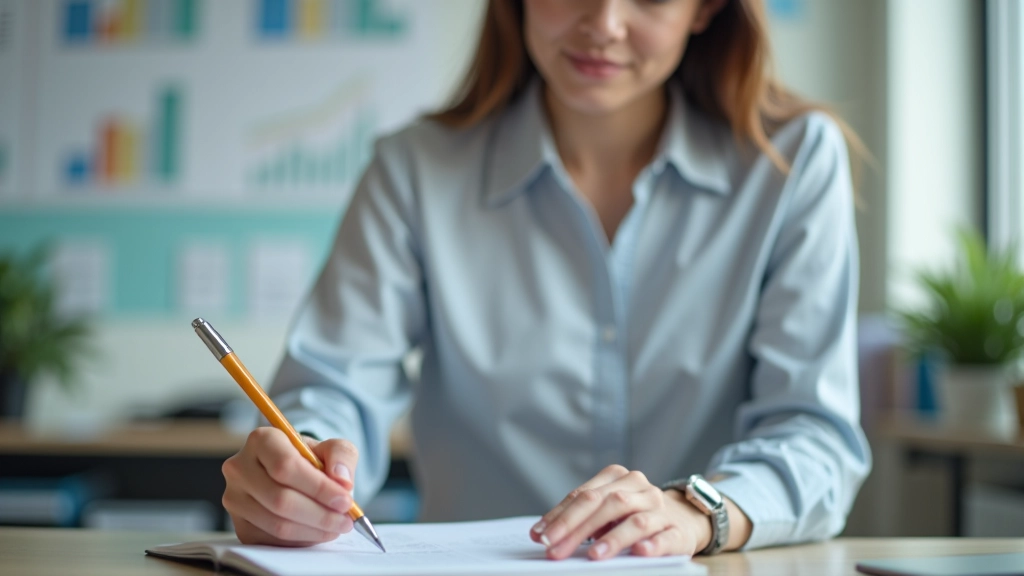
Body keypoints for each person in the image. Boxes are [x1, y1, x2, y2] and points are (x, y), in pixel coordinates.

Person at [221, 0, 871, 560]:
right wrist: (299, 465)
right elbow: (333, 386)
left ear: (705, 9)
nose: (604, 25)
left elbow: (814, 436)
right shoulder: (413, 170)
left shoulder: (792, 163)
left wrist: (698, 512)